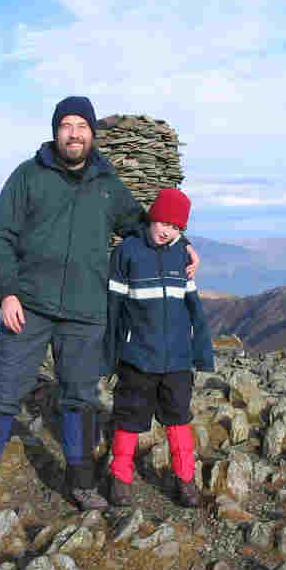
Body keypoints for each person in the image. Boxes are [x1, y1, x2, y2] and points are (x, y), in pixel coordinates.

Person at [0, 96, 199, 511]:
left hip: (87, 312)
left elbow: (145, 228)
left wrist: (184, 245)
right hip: (30, 306)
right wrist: (7, 293)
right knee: (2, 394)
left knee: (80, 397)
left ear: (92, 134)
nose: (74, 134)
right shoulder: (27, 176)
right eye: (66, 126)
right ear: (56, 132)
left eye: (81, 126)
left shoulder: (108, 185)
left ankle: (82, 482)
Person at [103, 187, 215, 508]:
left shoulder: (181, 255)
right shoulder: (127, 253)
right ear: (153, 216)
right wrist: (110, 355)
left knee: (179, 419)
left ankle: (185, 482)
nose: (168, 231)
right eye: (164, 222)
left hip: (177, 360)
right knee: (128, 418)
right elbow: (115, 308)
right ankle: (120, 478)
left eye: (176, 227)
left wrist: (201, 352)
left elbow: (194, 308)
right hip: (137, 358)